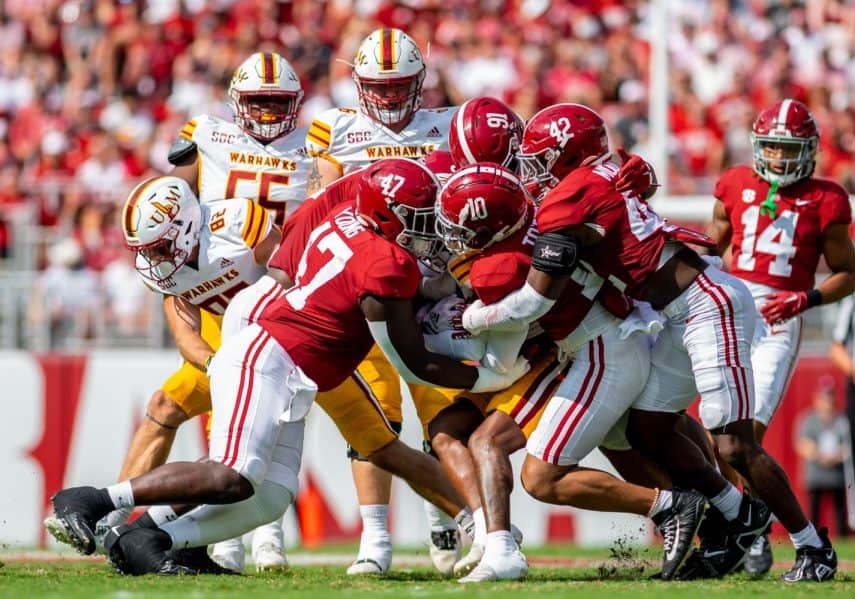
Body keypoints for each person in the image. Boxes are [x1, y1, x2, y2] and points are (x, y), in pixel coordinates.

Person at [45, 158, 528, 576]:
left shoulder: (336, 211)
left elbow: (286, 259)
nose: (424, 230)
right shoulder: (387, 265)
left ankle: (153, 539)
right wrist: (493, 375)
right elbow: (414, 361)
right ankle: (93, 500)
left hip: (285, 346)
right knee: (234, 470)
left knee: (268, 496)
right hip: (267, 345)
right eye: (414, 220)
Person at [462, 103, 838, 583]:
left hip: (706, 304)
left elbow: (534, 302)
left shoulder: (568, 198)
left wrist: (476, 315)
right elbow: (627, 188)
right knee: (645, 429)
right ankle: (738, 515)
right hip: (673, 312)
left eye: (542, 158)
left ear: (567, 154)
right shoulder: (606, 170)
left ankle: (811, 545)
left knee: (734, 445)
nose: (535, 169)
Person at [435, 162, 706, 582]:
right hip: (617, 335)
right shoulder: (543, 217)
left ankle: (674, 507)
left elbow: (505, 357)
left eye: (461, 224)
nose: (454, 234)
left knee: (541, 476)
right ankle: (721, 516)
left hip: (599, 350)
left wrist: (466, 325)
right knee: (637, 441)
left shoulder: (498, 266)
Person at [107, 51, 313, 572]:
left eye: (276, 103)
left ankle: (416, 531)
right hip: (227, 286)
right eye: (258, 102)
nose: (267, 113)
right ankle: (121, 520)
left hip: (285, 290)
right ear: (237, 104)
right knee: (193, 411)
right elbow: (175, 193)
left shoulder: (319, 143)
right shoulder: (208, 135)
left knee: (346, 429)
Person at [44, 175, 280, 573]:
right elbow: (185, 336)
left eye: (160, 246)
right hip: (226, 343)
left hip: (282, 338)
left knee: (365, 436)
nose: (154, 257)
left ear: (187, 223)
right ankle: (111, 523)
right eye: (147, 249)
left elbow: (289, 276)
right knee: (169, 407)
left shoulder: (238, 222)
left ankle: (372, 539)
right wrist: (220, 366)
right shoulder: (160, 268)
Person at [304, 28, 464, 575]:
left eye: (400, 86)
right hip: (367, 292)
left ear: (420, 83)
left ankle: (445, 515)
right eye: (381, 86)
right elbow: (323, 208)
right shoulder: (336, 128)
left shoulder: (450, 125)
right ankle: (375, 538)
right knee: (378, 418)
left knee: (443, 414)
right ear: (359, 84)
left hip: (434, 292)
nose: (392, 97)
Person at [705, 98, 855, 573]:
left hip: (778, 319)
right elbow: (713, 248)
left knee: (744, 434)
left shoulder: (827, 198)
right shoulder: (732, 183)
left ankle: (766, 536)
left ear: (809, 150)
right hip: (731, 313)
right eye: (770, 146)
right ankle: (747, 528)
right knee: (717, 436)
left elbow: (848, 275)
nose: (777, 157)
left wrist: (806, 298)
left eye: (787, 148)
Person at [794, 377, 850, 537]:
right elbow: (803, 444)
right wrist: (820, 455)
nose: (828, 400)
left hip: (837, 476)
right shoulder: (808, 420)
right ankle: (812, 539)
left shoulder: (842, 420)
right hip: (815, 476)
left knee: (840, 513)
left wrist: (836, 456)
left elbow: (849, 445)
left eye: (830, 396)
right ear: (817, 398)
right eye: (824, 396)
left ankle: (842, 540)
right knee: (813, 513)